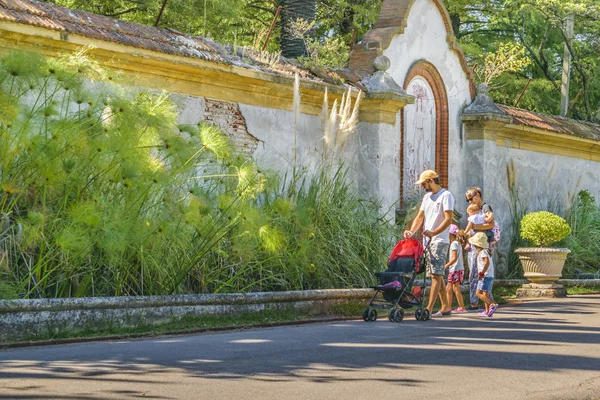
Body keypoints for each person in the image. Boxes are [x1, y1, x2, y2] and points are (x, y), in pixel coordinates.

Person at [404, 170, 454, 318]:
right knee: (435, 274)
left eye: (424, 183)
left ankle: (429, 308)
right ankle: (445, 306)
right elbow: (420, 217)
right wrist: (412, 231)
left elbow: (448, 219)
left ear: (431, 181)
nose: (422, 186)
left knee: (435, 274)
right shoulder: (426, 197)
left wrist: (434, 232)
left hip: (439, 240)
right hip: (427, 240)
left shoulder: (446, 195)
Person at [465, 187, 495, 311]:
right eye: (468, 200)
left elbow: (491, 224)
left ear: (477, 195)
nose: (470, 202)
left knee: (478, 272)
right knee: (475, 272)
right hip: (476, 242)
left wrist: (475, 226)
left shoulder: (485, 208)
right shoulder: (476, 209)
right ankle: (483, 301)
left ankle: (479, 301)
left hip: (482, 243)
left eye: (471, 199)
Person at [469, 232, 499, 317]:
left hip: (484, 276)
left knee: (478, 293)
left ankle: (492, 304)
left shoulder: (483, 252)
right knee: (485, 294)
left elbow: (486, 263)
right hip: (489, 275)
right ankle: (487, 311)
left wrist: (481, 273)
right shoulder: (486, 251)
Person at [445, 225, 468, 313]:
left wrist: (446, 265)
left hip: (455, 269)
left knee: (456, 288)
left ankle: (462, 307)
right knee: (449, 288)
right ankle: (448, 307)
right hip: (456, 269)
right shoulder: (457, 243)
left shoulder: (454, 244)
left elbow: (454, 258)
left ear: (450, 234)